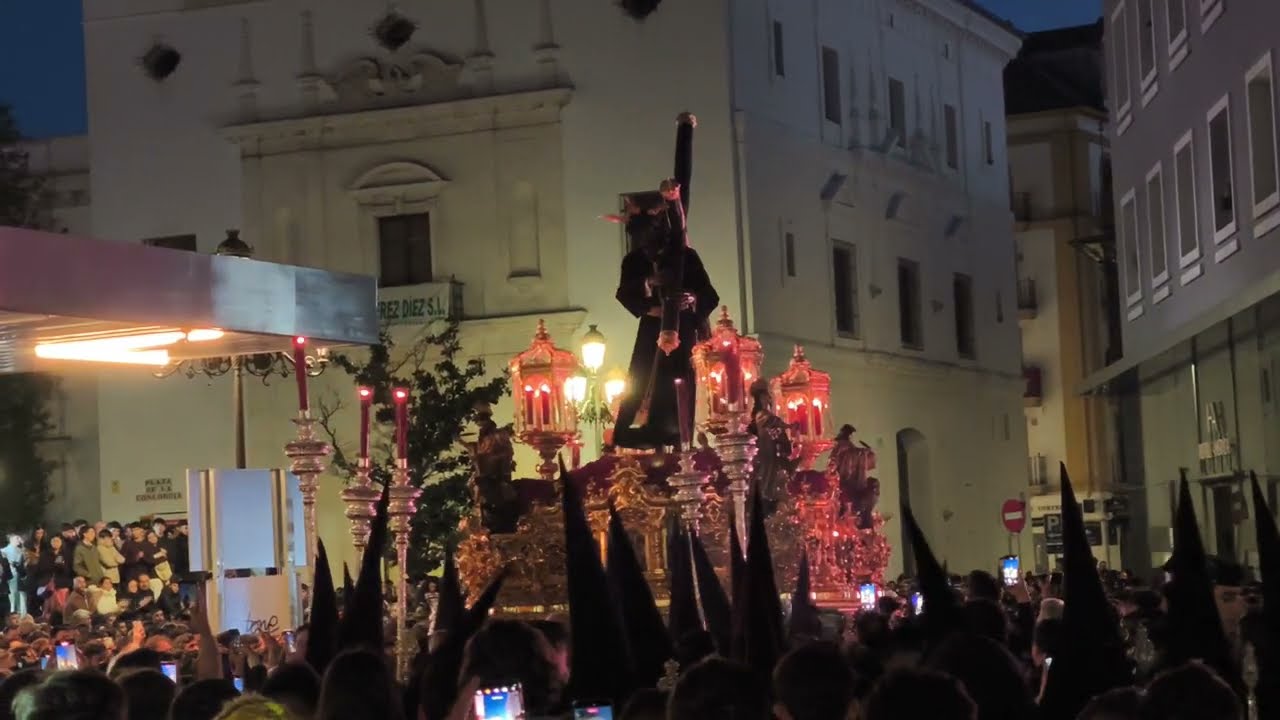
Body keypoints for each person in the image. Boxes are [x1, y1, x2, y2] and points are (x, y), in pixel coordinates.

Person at [611, 113, 720, 450]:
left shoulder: (686, 256)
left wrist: (690, 302)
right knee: (643, 379)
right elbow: (624, 293)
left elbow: (709, 295)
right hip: (651, 330)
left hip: (683, 328)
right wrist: (649, 297)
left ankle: (679, 435)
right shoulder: (635, 261)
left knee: (681, 383)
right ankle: (635, 432)